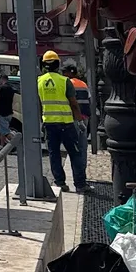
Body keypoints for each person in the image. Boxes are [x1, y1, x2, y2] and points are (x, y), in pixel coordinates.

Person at [39, 50, 89, 193]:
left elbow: (39, 104)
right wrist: (79, 121)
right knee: (75, 153)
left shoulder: (39, 82)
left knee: (54, 154)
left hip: (49, 124)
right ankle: (80, 184)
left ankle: (60, 183)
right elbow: (74, 104)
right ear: (57, 64)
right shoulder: (65, 81)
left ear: (44, 65)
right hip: (66, 124)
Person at [0, 71, 17, 143]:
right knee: (2, 130)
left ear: (2, 79)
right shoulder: (11, 88)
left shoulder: (1, 87)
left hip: (2, 112)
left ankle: (16, 142)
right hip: (9, 112)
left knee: (5, 131)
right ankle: (2, 146)